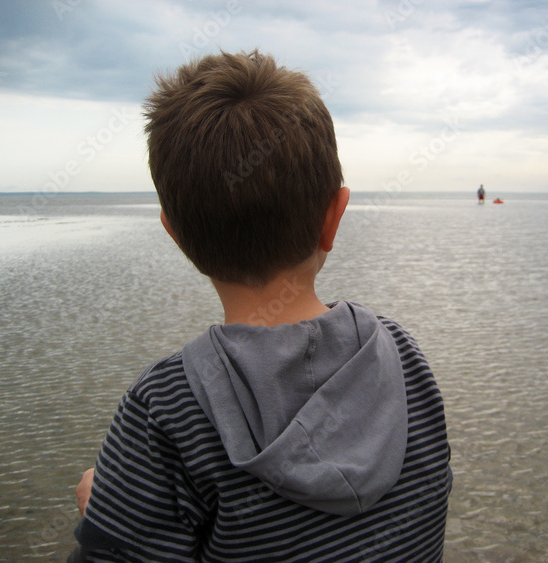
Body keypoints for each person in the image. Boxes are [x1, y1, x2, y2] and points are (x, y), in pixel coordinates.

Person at [68, 50, 452, 562]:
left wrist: (105, 518)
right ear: (334, 218)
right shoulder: (403, 357)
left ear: (176, 235)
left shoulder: (164, 409)